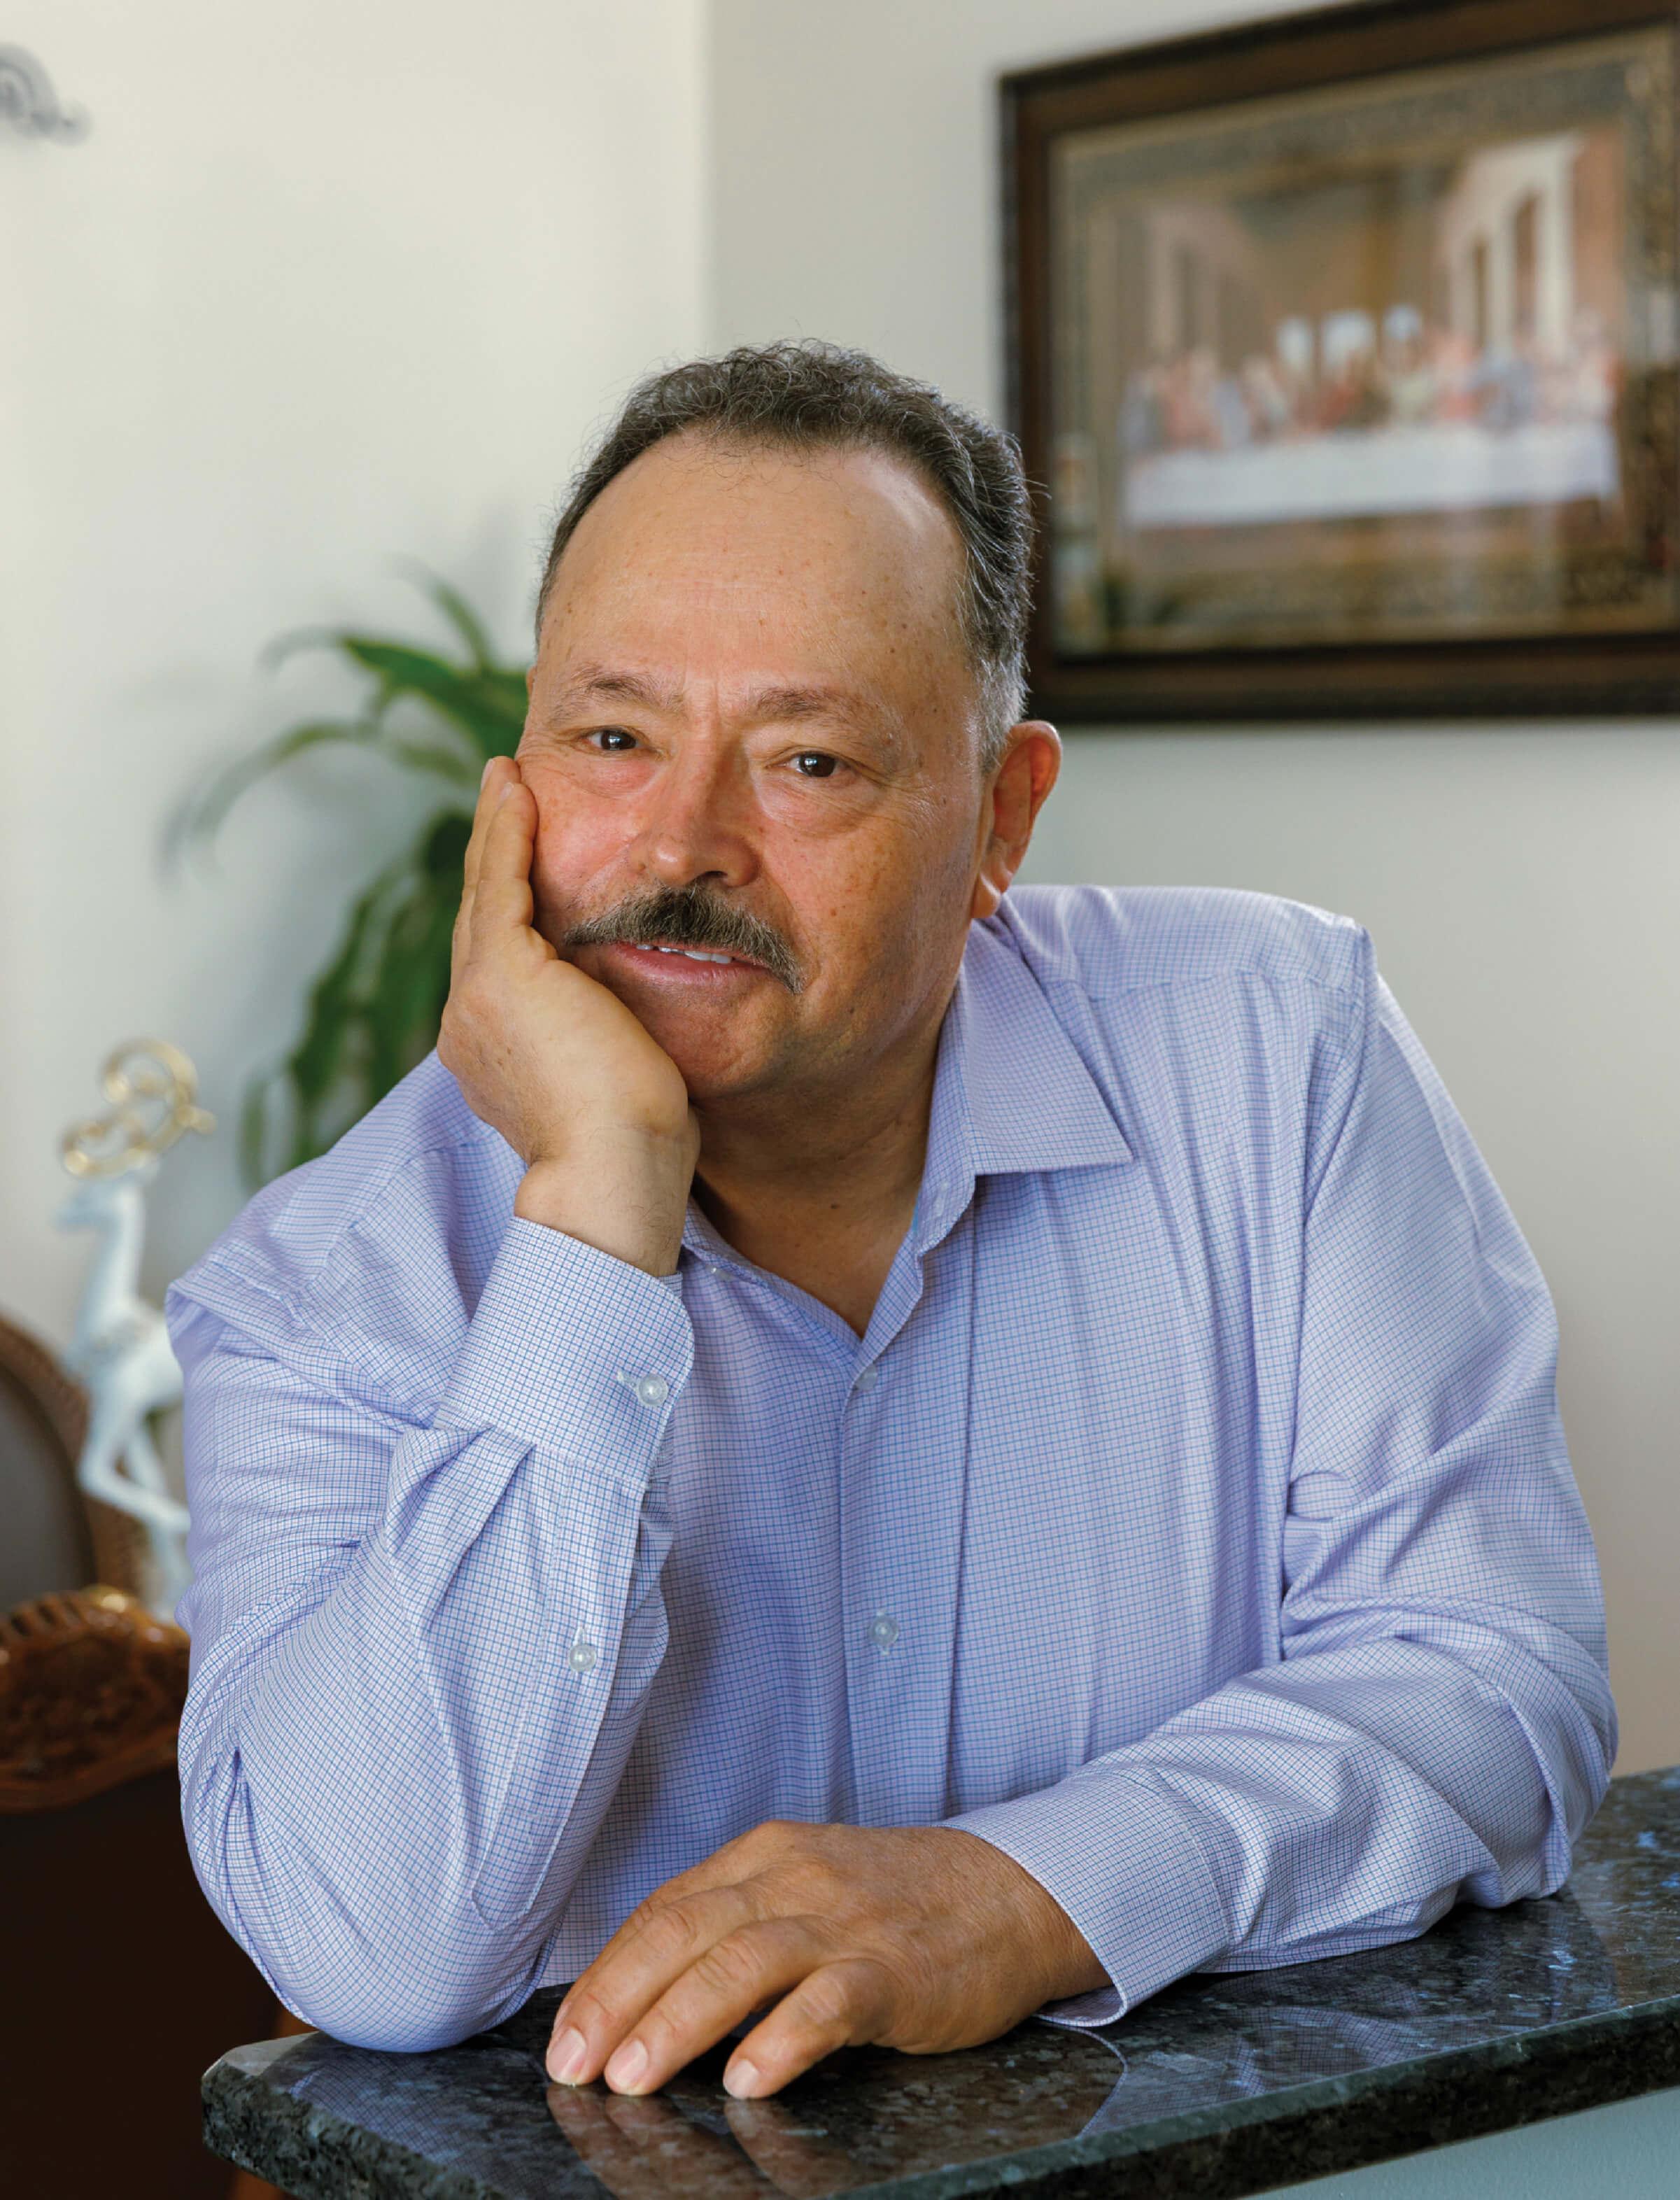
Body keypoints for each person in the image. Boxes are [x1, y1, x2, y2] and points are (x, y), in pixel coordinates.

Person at [169, 341, 1615, 2106]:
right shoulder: (321, 1290)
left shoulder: (1274, 1045)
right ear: (515, 784)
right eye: (613, 738)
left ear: (1001, 814)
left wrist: (1022, 1895)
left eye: (809, 760)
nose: (681, 843)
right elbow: (367, 1949)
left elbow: (1494, 1676)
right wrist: (594, 1217)